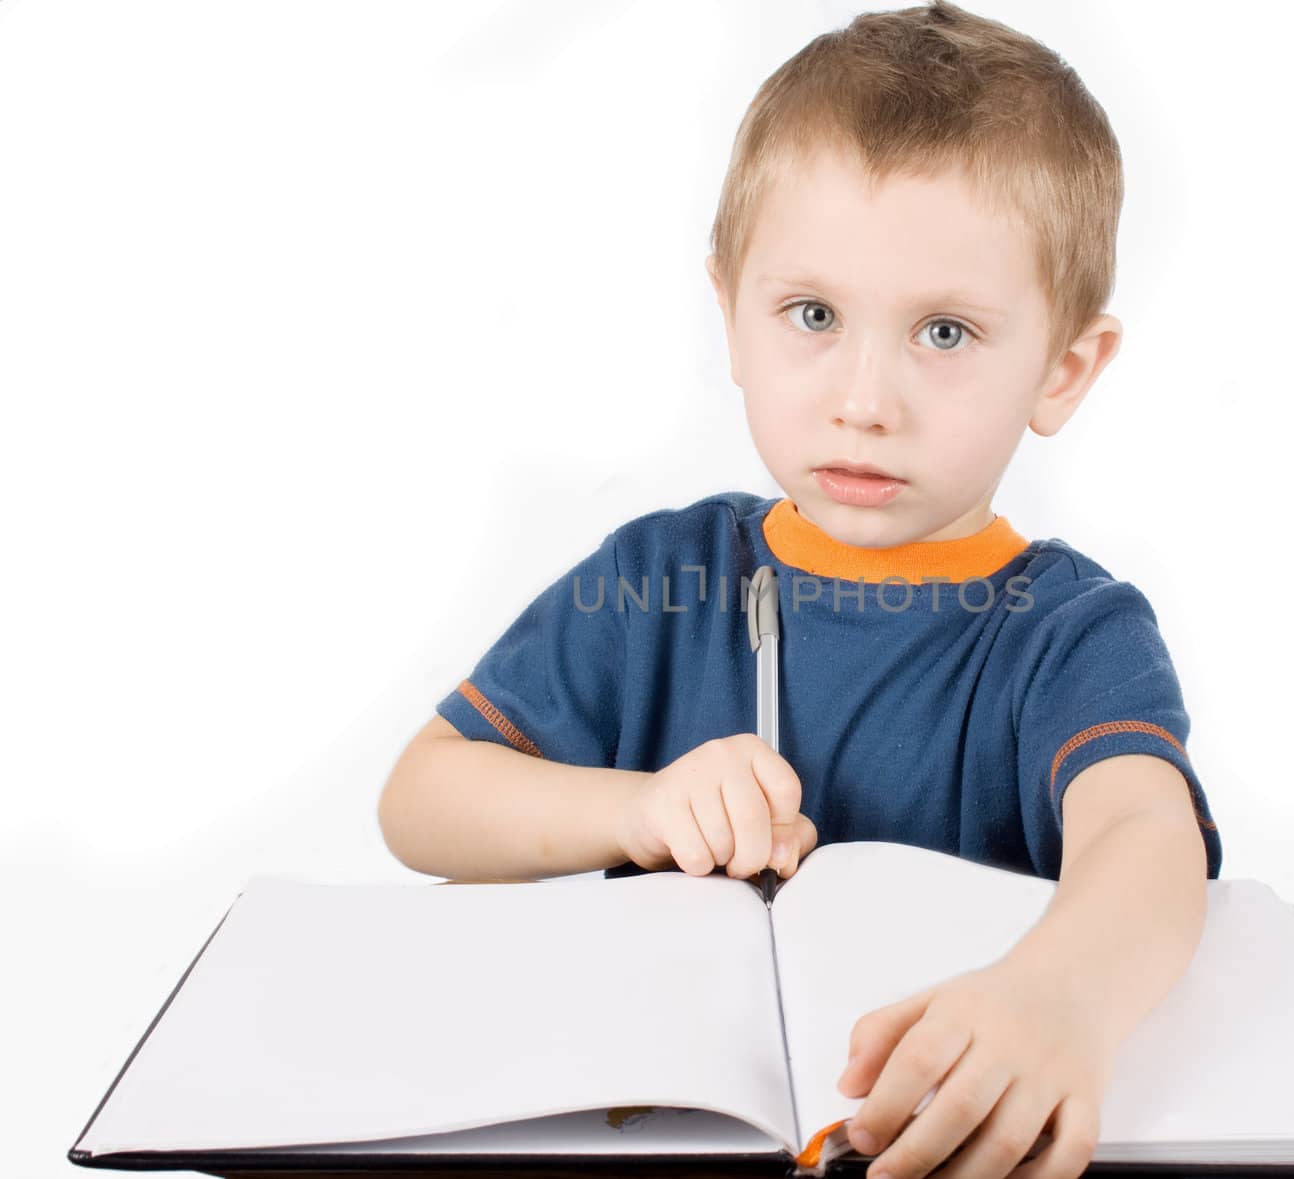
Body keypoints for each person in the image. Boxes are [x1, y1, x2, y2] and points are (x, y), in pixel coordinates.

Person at [380, 4, 1221, 1176]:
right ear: (731, 313)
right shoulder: (654, 582)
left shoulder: (1070, 632)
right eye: (812, 316)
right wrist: (632, 811)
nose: (863, 398)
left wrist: (1062, 1001)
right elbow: (421, 800)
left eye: (944, 331)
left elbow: (1144, 832)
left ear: (1063, 368)